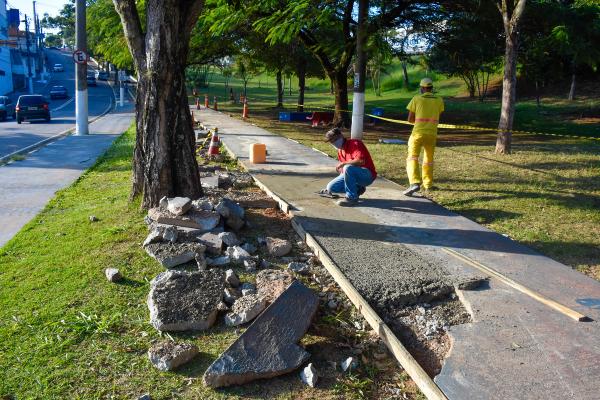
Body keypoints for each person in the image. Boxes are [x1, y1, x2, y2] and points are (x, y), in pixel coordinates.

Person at [403, 77, 445, 196]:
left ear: (422, 88)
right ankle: (428, 184)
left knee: (412, 157)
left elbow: (410, 119)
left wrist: (417, 121)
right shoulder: (439, 100)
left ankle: (414, 183)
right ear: (431, 88)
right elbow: (438, 115)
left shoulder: (416, 99)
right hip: (432, 133)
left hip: (417, 133)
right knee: (428, 160)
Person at [318, 128, 377, 206]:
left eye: (335, 139)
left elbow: (361, 161)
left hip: (367, 175)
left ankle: (352, 198)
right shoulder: (340, 151)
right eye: (331, 141)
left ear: (341, 136)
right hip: (353, 173)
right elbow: (344, 172)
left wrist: (344, 163)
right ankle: (358, 189)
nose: (334, 143)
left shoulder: (355, 143)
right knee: (331, 187)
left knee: (347, 167)